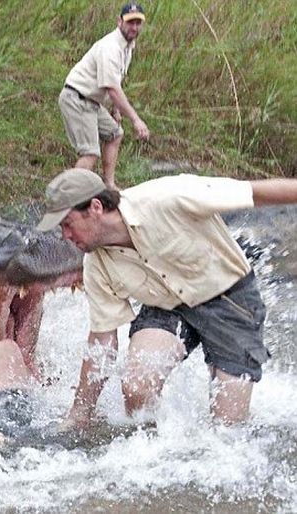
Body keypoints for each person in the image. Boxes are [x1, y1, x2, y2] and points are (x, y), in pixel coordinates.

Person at [36, 168, 297, 427]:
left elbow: (255, 192)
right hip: (167, 308)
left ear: (95, 207)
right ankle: (150, 449)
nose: (65, 236)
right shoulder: (95, 265)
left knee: (228, 429)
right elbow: (103, 340)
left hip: (231, 303)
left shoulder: (167, 197)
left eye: (68, 224)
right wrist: (80, 413)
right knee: (138, 386)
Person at [58, 3, 150, 188]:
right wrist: (135, 119)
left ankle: (108, 185)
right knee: (90, 153)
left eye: (138, 23)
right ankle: (69, 197)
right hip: (77, 98)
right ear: (119, 22)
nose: (134, 27)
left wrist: (116, 110)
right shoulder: (110, 47)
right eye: (130, 22)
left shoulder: (128, 46)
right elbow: (112, 88)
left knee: (114, 134)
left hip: (92, 101)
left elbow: (116, 80)